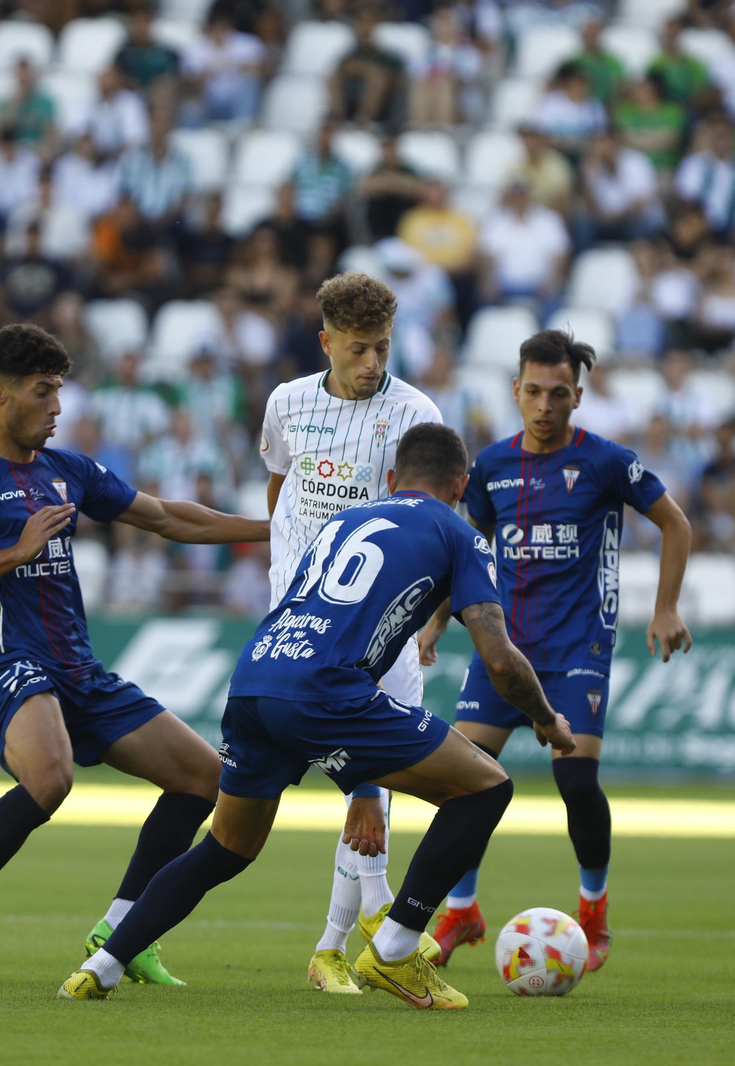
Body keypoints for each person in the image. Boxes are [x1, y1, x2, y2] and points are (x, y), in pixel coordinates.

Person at [59, 422, 577, 1006]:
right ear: (462, 485)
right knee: (484, 788)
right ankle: (397, 950)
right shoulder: (459, 534)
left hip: (256, 677)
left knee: (226, 846)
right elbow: (501, 662)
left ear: (389, 479)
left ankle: (101, 966)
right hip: (328, 688)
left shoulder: (342, 521)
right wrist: (546, 718)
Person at [0, 323, 268, 987]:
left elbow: (167, 518)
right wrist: (12, 553)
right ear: (0, 394)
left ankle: (123, 926)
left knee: (204, 778)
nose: (59, 408)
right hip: (13, 663)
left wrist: (276, 530)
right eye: (45, 393)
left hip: (80, 669)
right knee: (51, 780)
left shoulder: (68, 471)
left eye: (61, 392)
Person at [429, 330, 693, 973]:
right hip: (503, 647)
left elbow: (676, 523)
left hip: (579, 646)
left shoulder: (606, 461)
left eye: (558, 393)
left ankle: (594, 909)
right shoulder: (489, 466)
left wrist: (664, 607)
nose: (545, 404)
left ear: (578, 396)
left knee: (575, 778)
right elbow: (466, 549)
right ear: (516, 391)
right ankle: (461, 911)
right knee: (462, 780)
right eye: (533, 391)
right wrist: (436, 620)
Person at [257, 271, 447, 993]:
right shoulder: (287, 402)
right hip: (305, 618)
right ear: (326, 342)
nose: (373, 363)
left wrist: (426, 614)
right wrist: (286, 566)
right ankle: (381, 933)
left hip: (383, 618)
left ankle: (339, 944)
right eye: (360, 349)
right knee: (364, 778)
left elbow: (424, 518)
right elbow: (282, 484)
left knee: (379, 780)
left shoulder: (414, 412)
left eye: (384, 348)